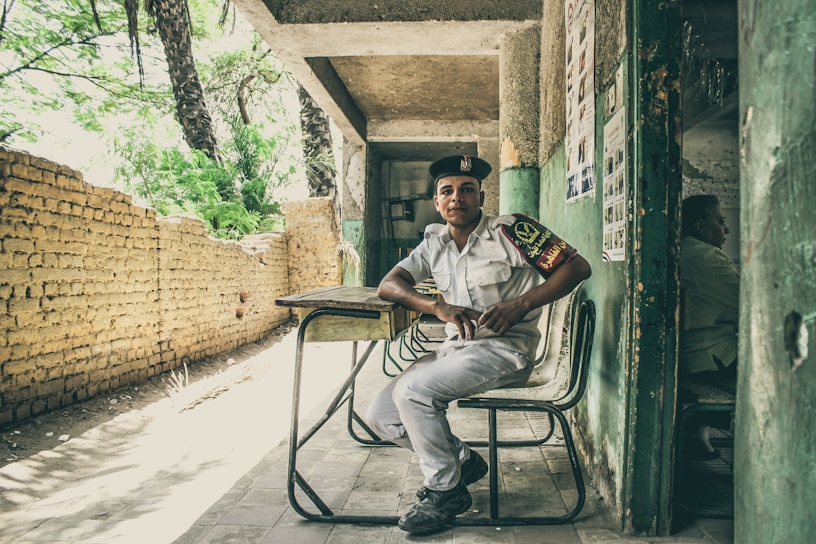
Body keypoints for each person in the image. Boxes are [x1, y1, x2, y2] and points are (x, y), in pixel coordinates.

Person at [366, 154, 592, 534]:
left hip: (505, 350)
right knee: (380, 414)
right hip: (456, 349)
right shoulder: (433, 242)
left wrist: (521, 304)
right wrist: (437, 306)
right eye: (448, 191)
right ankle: (461, 462)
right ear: (437, 202)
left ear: (481, 197)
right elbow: (389, 285)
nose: (458, 198)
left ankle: (444, 490)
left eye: (467, 189)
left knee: (413, 391)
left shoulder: (514, 232)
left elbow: (577, 266)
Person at [679, 194, 739, 454]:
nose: (725, 229)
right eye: (719, 221)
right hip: (707, 361)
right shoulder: (707, 258)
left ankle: (698, 436)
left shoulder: (682, 250)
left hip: (691, 355)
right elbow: (750, 305)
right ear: (699, 226)